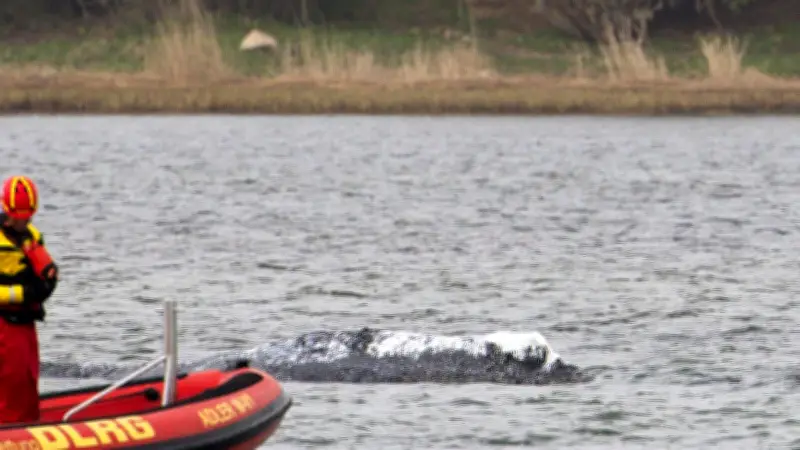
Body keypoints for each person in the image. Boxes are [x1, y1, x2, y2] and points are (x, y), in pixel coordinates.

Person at [0, 175, 59, 424]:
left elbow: (46, 275)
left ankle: (26, 428)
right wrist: (21, 294)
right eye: (19, 216)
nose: (23, 222)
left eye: (27, 217)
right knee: (12, 382)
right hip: (5, 322)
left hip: (23, 322)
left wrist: (45, 282)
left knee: (25, 379)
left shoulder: (32, 237)